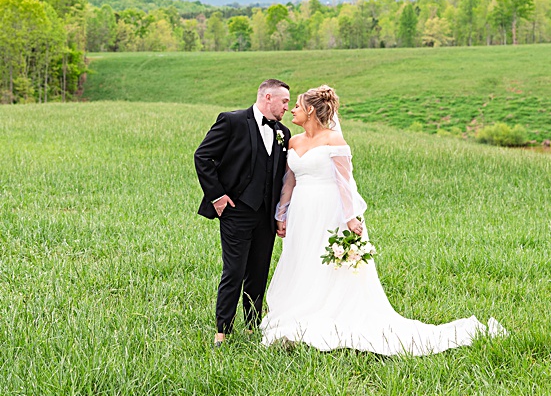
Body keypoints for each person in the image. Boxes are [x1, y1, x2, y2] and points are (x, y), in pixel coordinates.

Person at [259, 84, 504, 355]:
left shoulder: (335, 142)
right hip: (302, 212)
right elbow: (288, 182)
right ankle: (300, 307)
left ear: (310, 110)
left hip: (330, 210)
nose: (292, 109)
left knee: (327, 262)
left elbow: (345, 183)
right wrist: (281, 214)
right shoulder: (294, 141)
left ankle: (329, 310)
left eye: (297, 105)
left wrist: (351, 218)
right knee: (301, 258)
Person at [194, 77, 292, 347]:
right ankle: (222, 331)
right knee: (234, 270)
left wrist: (280, 214)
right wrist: (217, 196)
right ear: (267, 97)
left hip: (266, 215)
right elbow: (202, 156)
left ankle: (252, 326)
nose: (287, 106)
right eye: (284, 101)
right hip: (236, 210)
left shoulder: (284, 132)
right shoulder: (232, 121)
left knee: (259, 271)